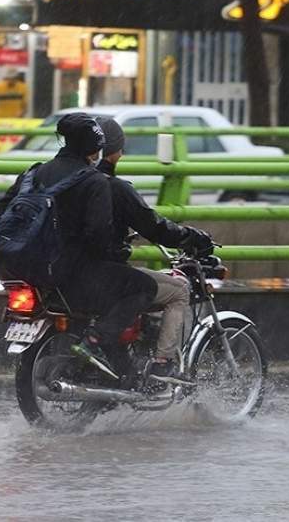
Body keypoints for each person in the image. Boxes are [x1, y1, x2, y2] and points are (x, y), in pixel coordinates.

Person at [0, 113, 158, 378]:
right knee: (144, 286)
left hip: (14, 269)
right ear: (95, 148)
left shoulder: (32, 174)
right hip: (62, 274)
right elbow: (98, 238)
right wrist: (118, 252)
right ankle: (95, 343)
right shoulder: (94, 182)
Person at [96, 117, 214, 385]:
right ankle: (162, 364)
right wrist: (191, 237)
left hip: (67, 271)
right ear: (116, 152)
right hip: (102, 275)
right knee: (178, 290)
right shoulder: (114, 187)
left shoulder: (63, 181)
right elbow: (154, 227)